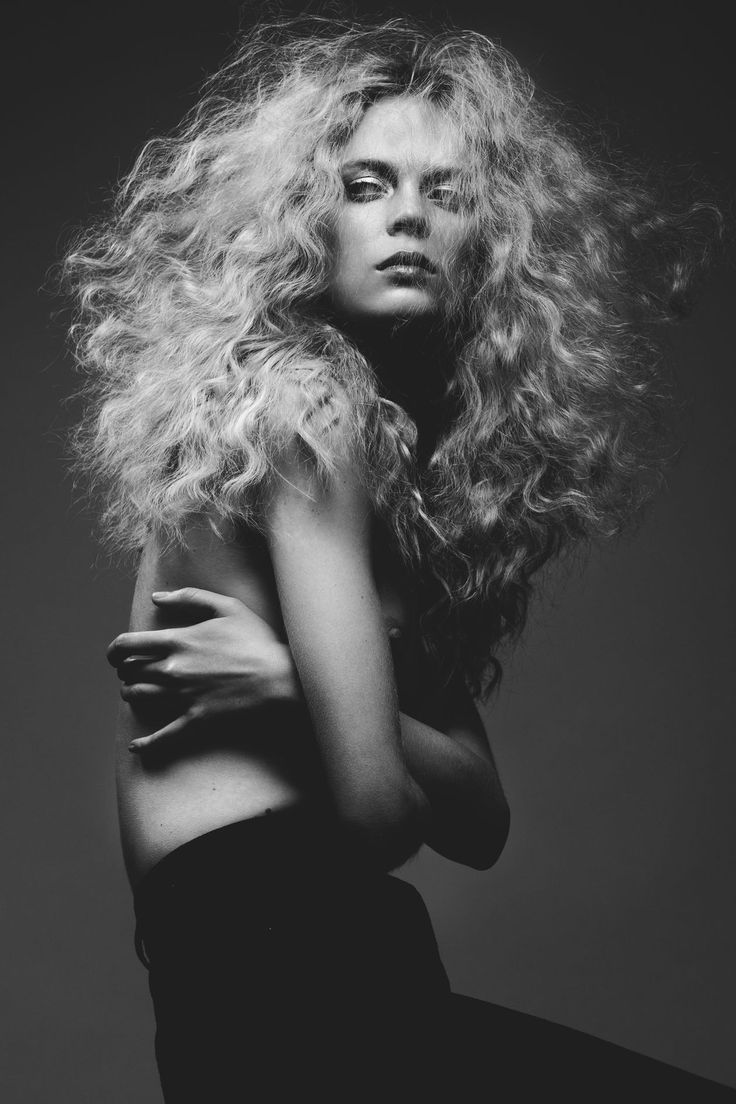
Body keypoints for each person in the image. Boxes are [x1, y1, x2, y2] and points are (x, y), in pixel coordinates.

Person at [65, 14, 728, 1101]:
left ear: (489, 235)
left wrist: (284, 684)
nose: (407, 217)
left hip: (284, 996)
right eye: (366, 185)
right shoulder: (302, 401)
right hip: (294, 987)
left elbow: (482, 822)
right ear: (303, 217)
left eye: (446, 192)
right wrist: (347, 718)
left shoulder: (399, 471)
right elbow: (380, 812)